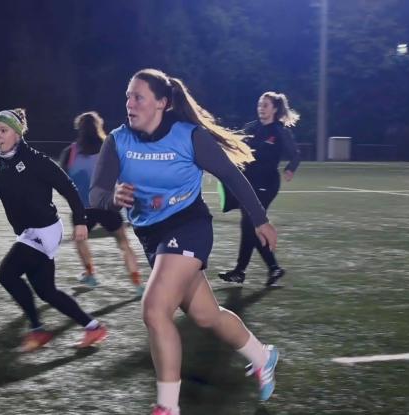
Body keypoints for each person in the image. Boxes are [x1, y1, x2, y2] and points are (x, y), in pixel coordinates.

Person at [90, 69, 280, 414]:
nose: (130, 103)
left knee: (154, 310)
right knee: (207, 316)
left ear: (162, 102)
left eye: (138, 97)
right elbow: (97, 194)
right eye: (128, 96)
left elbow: (231, 176)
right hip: (152, 238)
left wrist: (260, 218)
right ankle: (262, 356)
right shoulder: (117, 141)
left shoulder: (189, 137)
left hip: (189, 226)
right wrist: (113, 196)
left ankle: (167, 407)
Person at [0, 108, 107, 352]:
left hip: (45, 230)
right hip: (28, 234)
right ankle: (93, 327)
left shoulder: (35, 160)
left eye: (3, 130)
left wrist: (80, 220)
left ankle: (37, 330)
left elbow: (68, 187)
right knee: (47, 292)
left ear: (17, 134)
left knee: (7, 274)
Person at [218, 92, 301, 287]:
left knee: (250, 223)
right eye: (260, 104)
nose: (261, 108)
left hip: (267, 185)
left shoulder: (279, 131)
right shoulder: (252, 128)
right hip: (249, 183)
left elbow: (295, 154)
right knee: (250, 225)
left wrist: (290, 169)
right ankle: (271, 268)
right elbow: (235, 143)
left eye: (265, 105)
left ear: (274, 109)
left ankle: (243, 271)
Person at [58, 111, 143, 295]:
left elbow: (62, 181)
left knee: (79, 239)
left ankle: (91, 274)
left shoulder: (70, 152)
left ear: (79, 129)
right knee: (123, 243)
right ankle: (137, 285)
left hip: (82, 208)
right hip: (108, 205)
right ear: (99, 127)